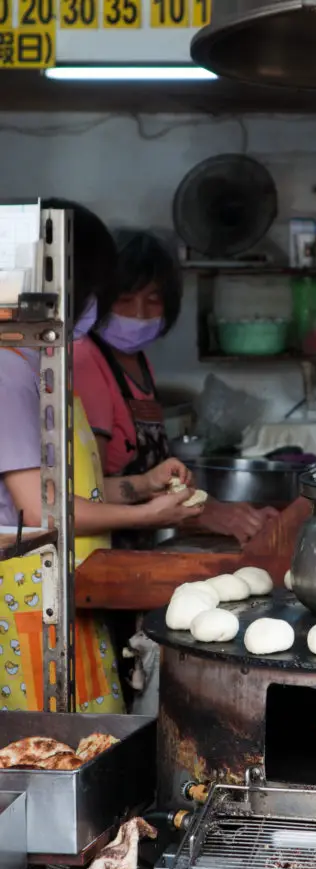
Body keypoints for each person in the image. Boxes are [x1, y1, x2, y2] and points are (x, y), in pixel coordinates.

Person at [0, 200, 203, 713]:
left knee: (87, 737)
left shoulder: (37, 359)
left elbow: (62, 487)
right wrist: (144, 514)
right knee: (44, 750)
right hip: (22, 592)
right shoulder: (8, 370)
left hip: (63, 586)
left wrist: (143, 485)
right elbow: (38, 510)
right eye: (99, 288)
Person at [74, 228, 277, 547]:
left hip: (138, 542)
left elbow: (152, 481)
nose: (139, 315)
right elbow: (91, 490)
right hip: (103, 546)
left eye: (153, 300)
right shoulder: (87, 359)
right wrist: (202, 512)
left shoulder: (139, 361)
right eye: (125, 300)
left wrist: (213, 509)